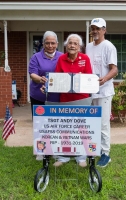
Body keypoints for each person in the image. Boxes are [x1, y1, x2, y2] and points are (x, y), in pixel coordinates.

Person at [42, 34, 93, 167]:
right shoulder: (61, 59)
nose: (72, 45)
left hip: (82, 99)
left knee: (82, 128)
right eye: (70, 43)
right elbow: (56, 78)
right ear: (66, 45)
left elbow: (89, 79)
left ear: (79, 47)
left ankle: (81, 157)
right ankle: (63, 157)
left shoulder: (85, 59)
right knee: (65, 129)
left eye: (75, 43)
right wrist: (47, 87)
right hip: (64, 99)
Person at [86, 18, 118, 167]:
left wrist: (104, 79)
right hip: (90, 92)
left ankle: (106, 153)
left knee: (103, 124)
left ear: (104, 30)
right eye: (93, 28)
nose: (95, 31)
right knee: (92, 123)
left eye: (98, 28)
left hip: (104, 92)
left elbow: (114, 69)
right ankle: (94, 150)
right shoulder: (88, 47)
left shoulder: (108, 46)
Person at [29, 31, 63, 160]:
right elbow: (33, 74)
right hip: (39, 97)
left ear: (57, 44)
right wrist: (40, 79)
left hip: (56, 98)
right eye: (47, 43)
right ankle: (41, 151)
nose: (50, 45)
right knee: (40, 124)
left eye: (52, 43)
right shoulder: (36, 57)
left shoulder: (62, 57)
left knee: (54, 124)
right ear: (43, 44)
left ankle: (54, 150)